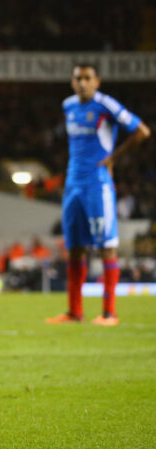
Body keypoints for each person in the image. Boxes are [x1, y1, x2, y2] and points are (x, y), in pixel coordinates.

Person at [47, 63, 149, 326]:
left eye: (87, 78)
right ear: (72, 82)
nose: (82, 82)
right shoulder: (68, 106)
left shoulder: (106, 106)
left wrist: (112, 159)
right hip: (73, 185)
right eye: (77, 78)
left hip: (97, 184)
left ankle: (109, 313)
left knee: (106, 247)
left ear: (97, 81)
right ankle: (74, 312)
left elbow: (142, 131)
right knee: (75, 250)